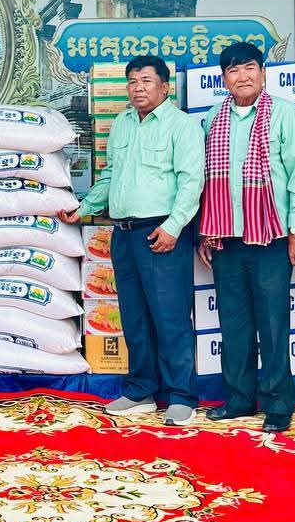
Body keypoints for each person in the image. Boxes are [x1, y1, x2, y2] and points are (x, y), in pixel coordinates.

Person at [66, 54, 204, 425]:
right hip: (124, 233)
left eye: (146, 81)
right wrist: (84, 207)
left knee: (171, 316)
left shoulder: (181, 126)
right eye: (132, 82)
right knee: (135, 316)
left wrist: (174, 227)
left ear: (165, 87)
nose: (137, 88)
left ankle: (181, 396)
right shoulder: (122, 124)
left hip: (161, 232)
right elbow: (110, 175)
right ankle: (141, 390)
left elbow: (192, 181)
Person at [198, 41, 295, 434]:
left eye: (249, 68)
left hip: (271, 238)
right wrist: (206, 233)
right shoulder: (213, 117)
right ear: (223, 79)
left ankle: (278, 403)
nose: (242, 76)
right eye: (233, 70)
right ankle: (239, 399)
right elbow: (206, 181)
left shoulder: (283, 113)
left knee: (273, 324)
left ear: (263, 73)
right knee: (233, 324)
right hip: (226, 239)